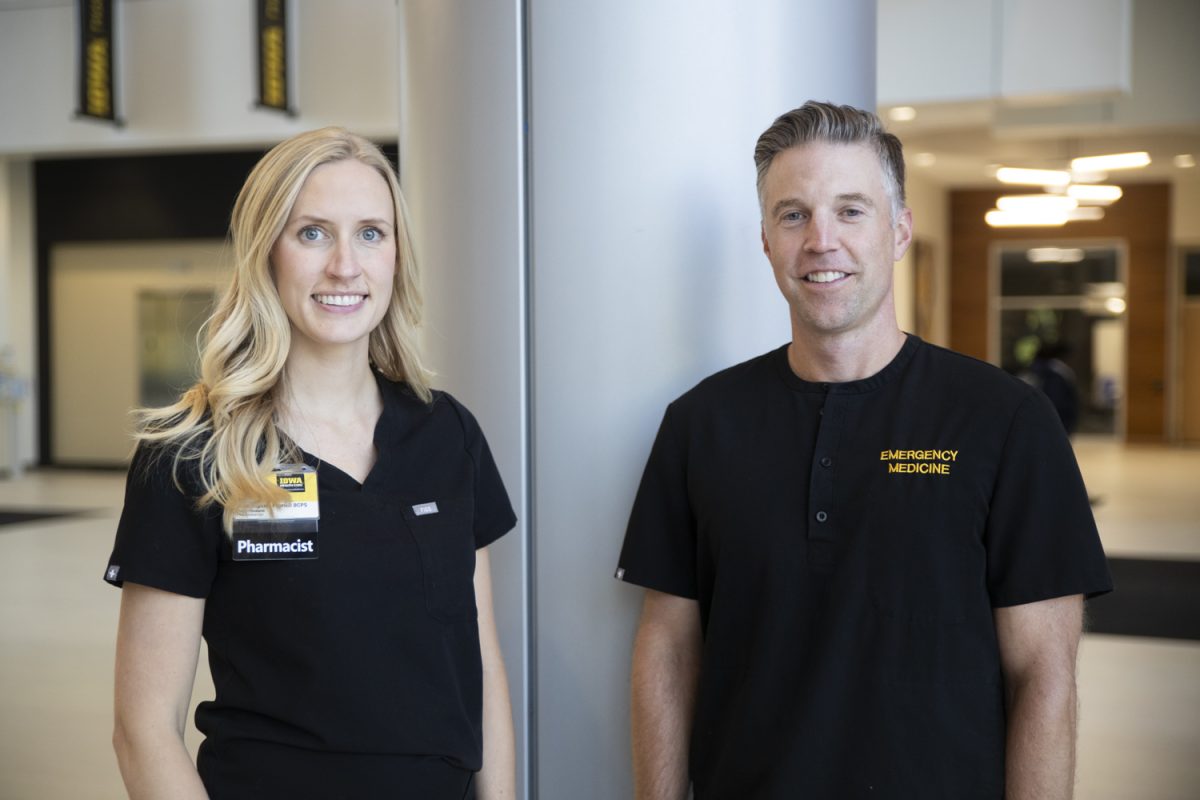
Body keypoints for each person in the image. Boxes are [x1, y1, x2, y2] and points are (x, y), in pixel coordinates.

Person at [616, 101, 1111, 799]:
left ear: (900, 230)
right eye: (794, 215)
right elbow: (666, 651)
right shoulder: (701, 425)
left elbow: (1045, 676)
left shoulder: (1006, 422)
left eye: (851, 211)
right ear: (766, 240)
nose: (822, 240)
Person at [104, 128, 516, 799]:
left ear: (396, 257)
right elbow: (143, 729)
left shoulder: (448, 434)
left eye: (371, 234)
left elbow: (482, 666)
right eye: (314, 233)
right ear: (266, 251)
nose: (346, 266)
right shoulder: (191, 453)